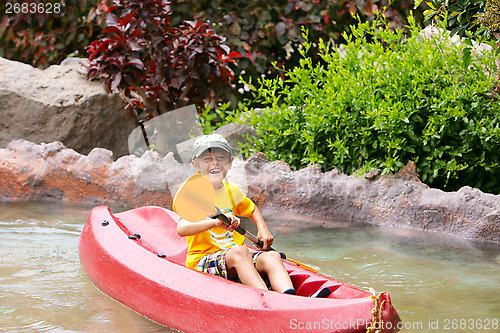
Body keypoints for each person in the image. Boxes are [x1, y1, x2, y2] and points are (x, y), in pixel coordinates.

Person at [174, 134, 331, 298]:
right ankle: (267, 299)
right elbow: (181, 228)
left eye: (221, 158)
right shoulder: (194, 194)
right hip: (203, 261)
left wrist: (263, 229)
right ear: (196, 166)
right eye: (207, 159)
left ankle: (290, 298)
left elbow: (252, 209)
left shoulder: (231, 190)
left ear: (230, 163)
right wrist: (214, 223)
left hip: (236, 257)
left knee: (271, 256)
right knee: (239, 252)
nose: (214, 163)